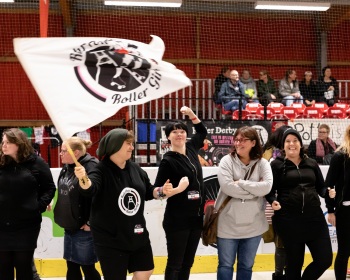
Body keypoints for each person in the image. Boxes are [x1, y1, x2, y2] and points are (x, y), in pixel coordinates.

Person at [74, 128, 167, 280]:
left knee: (146, 270)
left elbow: (148, 191)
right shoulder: (100, 170)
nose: (132, 147)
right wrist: (83, 178)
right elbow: (90, 188)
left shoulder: (135, 168)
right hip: (110, 238)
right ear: (115, 145)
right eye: (128, 144)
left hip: (137, 234)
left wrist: (162, 191)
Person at [266, 128, 335, 280]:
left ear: (300, 143)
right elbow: (269, 191)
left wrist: (328, 192)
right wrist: (273, 201)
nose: (292, 144)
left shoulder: (311, 163)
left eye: (295, 140)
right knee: (294, 266)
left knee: (324, 260)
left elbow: (321, 188)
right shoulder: (276, 165)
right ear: (283, 145)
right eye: (288, 141)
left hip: (314, 220)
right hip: (288, 221)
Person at [153, 106, 207, 280]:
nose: (179, 134)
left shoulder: (192, 148)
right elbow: (157, 191)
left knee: (187, 263)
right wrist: (176, 190)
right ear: (168, 137)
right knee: (175, 264)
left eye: (182, 131)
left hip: (196, 219)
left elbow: (202, 131)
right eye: (174, 132)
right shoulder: (167, 161)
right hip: (177, 220)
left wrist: (192, 115)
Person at [216, 126, 273, 280]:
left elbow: (267, 187)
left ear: (253, 143)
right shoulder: (226, 161)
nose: (238, 143)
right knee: (225, 266)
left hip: (254, 226)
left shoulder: (263, 164)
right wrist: (255, 191)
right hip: (227, 225)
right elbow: (228, 188)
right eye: (236, 139)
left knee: (246, 267)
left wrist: (241, 182)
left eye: (243, 140)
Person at [0, 128, 56, 280]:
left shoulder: (36, 162)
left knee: (23, 265)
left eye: (8, 142)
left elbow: (49, 188)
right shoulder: (1, 161)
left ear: (19, 144)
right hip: (2, 225)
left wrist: (38, 207)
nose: (3, 146)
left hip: (26, 226)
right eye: (3, 142)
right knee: (3, 266)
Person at [53, 137, 101, 280]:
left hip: (83, 229)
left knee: (87, 267)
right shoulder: (67, 167)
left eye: (63, 151)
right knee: (72, 266)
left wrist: (90, 223)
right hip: (70, 226)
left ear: (76, 152)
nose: (60, 154)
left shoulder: (91, 166)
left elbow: (98, 196)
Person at [262, 125, 292, 280]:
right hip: (273, 204)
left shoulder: (292, 153)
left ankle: (284, 273)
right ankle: (279, 274)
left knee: (286, 243)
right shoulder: (269, 153)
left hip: (285, 205)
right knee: (281, 243)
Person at [325, 124, 350, 280]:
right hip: (345, 211)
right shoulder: (340, 156)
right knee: (344, 251)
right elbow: (329, 185)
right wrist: (331, 210)